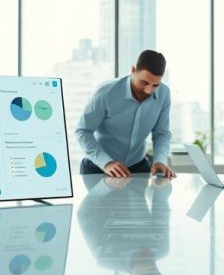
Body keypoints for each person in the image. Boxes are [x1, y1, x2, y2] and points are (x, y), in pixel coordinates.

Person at [75, 49, 175, 178]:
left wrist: (160, 160)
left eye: (155, 85)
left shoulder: (164, 94)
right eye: (144, 82)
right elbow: (82, 131)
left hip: (137, 167)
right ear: (133, 70)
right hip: (99, 167)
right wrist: (106, 163)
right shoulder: (106, 92)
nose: (148, 90)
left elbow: (161, 133)